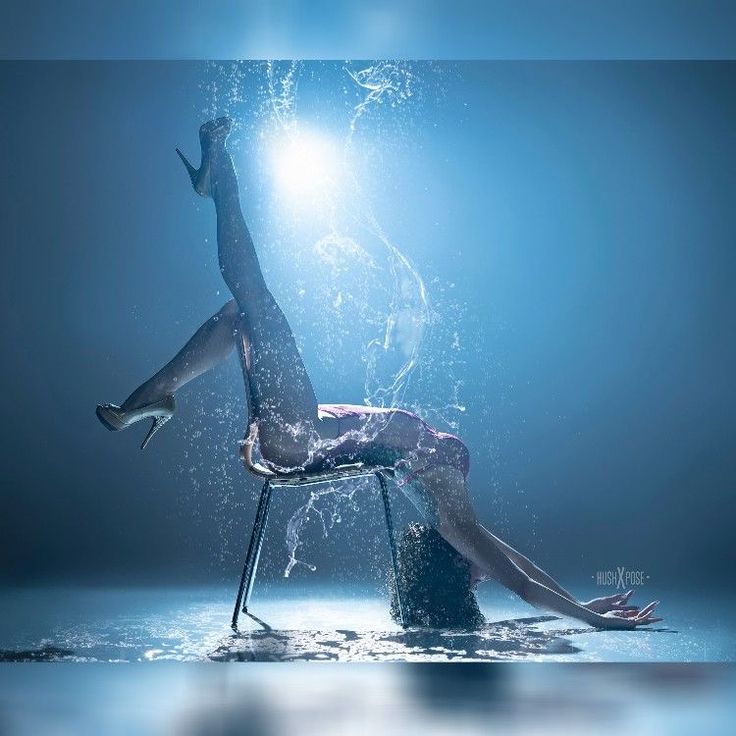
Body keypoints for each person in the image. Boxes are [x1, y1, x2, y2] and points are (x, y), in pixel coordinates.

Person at [97, 118, 662, 631]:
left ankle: (221, 181)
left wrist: (592, 621)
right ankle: (159, 393)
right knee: (241, 314)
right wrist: (585, 604)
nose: (483, 571)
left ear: (457, 564)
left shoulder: (451, 523)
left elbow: (518, 582)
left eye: (475, 573)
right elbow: (518, 565)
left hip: (303, 437)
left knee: (256, 299)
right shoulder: (462, 522)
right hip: (307, 427)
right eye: (480, 569)